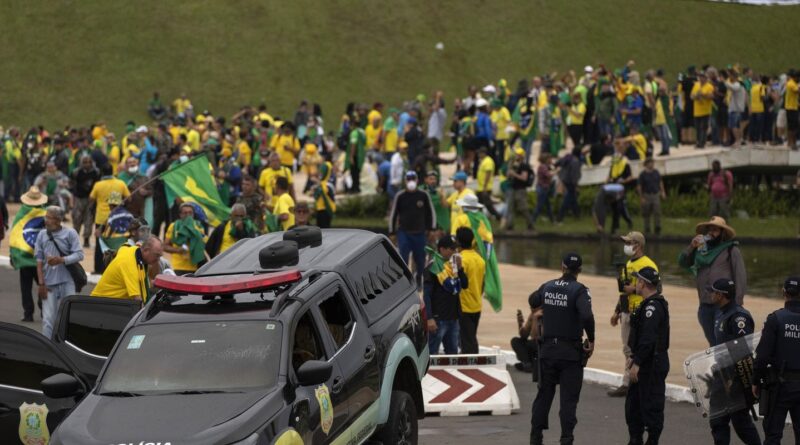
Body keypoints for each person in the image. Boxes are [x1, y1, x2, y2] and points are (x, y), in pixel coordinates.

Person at [529, 253, 595, 445]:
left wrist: (544, 310)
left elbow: (533, 299)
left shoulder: (547, 286)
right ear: (579, 270)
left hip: (548, 350)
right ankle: (566, 439)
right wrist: (591, 339)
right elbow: (586, 315)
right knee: (568, 401)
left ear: (562, 267)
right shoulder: (580, 290)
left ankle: (536, 438)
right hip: (570, 353)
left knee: (543, 396)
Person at [707, 278, 761, 445]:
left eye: (713, 292)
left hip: (735, 378)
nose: (710, 294)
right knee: (717, 420)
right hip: (721, 375)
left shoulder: (738, 317)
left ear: (721, 295)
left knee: (740, 422)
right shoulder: (720, 313)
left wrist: (734, 379)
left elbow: (742, 352)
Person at [678, 217, 747, 346]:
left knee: (725, 342)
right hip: (705, 305)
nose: (711, 233)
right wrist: (691, 246)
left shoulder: (731, 250)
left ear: (722, 233)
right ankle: (718, 359)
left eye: (715, 230)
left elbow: (740, 277)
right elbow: (683, 262)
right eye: (709, 229)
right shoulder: (701, 250)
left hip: (724, 306)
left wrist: (737, 304)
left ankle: (727, 360)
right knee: (713, 343)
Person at [608, 232, 659, 398]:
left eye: (629, 242)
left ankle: (635, 381)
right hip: (627, 311)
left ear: (638, 245)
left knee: (640, 347)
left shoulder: (648, 264)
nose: (627, 246)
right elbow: (624, 290)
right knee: (627, 348)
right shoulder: (628, 264)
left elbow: (657, 288)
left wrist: (635, 289)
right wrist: (617, 311)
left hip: (641, 311)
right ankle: (628, 381)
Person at [625, 267, 670, 445]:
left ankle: (652, 440)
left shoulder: (653, 307)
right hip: (644, 360)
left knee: (651, 407)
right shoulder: (647, 304)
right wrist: (633, 356)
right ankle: (635, 439)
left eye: (637, 280)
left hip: (651, 364)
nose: (635, 283)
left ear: (643, 283)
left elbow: (648, 339)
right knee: (633, 407)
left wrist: (637, 362)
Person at [752, 276, 800, 444]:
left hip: (780, 386)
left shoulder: (775, 319)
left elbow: (762, 356)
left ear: (783, 292)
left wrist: (755, 380)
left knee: (773, 435)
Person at [34, 206, 84, 339]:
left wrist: (61, 260)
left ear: (58, 220)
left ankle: (64, 346)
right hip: (48, 284)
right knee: (48, 320)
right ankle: (47, 347)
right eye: (46, 217)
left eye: (49, 217)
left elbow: (79, 255)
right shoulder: (42, 235)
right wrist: (41, 283)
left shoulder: (70, 233)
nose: (46, 220)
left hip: (68, 282)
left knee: (67, 317)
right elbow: (39, 261)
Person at [388, 171, 436, 288]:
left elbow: (431, 213)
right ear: (405, 181)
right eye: (408, 179)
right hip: (404, 233)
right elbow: (393, 214)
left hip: (420, 233)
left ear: (417, 180)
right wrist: (392, 232)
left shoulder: (423, 195)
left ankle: (419, 277)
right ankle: (405, 281)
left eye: (413, 179)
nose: (411, 182)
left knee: (420, 259)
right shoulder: (400, 196)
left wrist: (432, 229)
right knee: (402, 258)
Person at [424, 235, 467, 355]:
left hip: (453, 318)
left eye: (456, 249)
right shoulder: (433, 267)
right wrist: (429, 318)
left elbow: (465, 285)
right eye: (452, 249)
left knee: (452, 354)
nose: (455, 252)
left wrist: (460, 269)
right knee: (432, 354)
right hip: (438, 319)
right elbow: (427, 295)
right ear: (442, 249)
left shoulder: (453, 266)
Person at [10, 186, 48, 322]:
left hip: (25, 258)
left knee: (26, 287)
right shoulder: (45, 213)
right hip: (41, 259)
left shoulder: (21, 214)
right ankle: (44, 310)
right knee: (43, 284)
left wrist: (13, 255)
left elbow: (15, 236)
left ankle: (28, 313)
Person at [91, 236, 164, 302]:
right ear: (146, 250)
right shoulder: (130, 264)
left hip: (113, 303)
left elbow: (147, 281)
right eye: (157, 255)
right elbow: (137, 300)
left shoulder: (135, 252)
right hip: (100, 304)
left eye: (160, 256)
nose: (158, 260)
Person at [89, 164, 130, 274]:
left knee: (100, 244)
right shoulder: (121, 183)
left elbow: (91, 199)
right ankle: (114, 269)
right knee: (117, 243)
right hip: (119, 219)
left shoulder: (98, 184)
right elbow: (129, 197)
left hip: (101, 219)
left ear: (102, 173)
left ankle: (99, 269)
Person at [455, 227, 485, 355]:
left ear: (458, 242)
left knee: (467, 341)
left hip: (464, 305)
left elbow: (455, 283)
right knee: (471, 337)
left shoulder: (460, 260)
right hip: (477, 305)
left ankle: (471, 364)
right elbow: (482, 284)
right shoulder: (480, 260)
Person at [164, 203, 207, 275]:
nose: (188, 215)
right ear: (180, 215)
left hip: (195, 267)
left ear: (193, 214)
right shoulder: (174, 226)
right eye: (185, 213)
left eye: (190, 213)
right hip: (178, 266)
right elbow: (165, 246)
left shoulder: (198, 226)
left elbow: (203, 244)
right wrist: (178, 250)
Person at [70, 155, 100, 247]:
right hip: (79, 198)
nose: (87, 164)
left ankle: (86, 239)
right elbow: (72, 184)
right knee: (76, 219)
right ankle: (74, 240)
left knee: (89, 220)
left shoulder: (96, 172)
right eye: (85, 162)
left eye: (89, 162)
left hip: (91, 199)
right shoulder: (76, 172)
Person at [503, 147, 536, 231]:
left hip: (520, 189)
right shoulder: (514, 165)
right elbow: (508, 176)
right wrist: (509, 170)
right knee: (511, 207)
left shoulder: (524, 166)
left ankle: (530, 224)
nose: (516, 156)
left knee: (523, 208)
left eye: (518, 155)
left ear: (521, 156)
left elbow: (524, 178)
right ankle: (510, 225)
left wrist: (514, 174)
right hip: (513, 188)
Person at [511, 291, 542, 373]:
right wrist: (520, 323)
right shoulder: (533, 314)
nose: (532, 310)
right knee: (515, 341)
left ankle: (534, 365)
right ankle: (527, 364)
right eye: (531, 308)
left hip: (543, 346)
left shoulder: (546, 314)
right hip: (534, 346)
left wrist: (536, 319)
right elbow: (524, 335)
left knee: (533, 343)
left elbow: (536, 336)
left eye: (534, 308)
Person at [637, 158, 666, 235]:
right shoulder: (642, 174)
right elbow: (639, 186)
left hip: (655, 194)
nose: (652, 164)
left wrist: (663, 192)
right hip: (647, 195)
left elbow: (660, 182)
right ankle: (647, 229)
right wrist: (641, 197)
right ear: (646, 164)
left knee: (657, 212)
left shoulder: (656, 172)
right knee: (646, 213)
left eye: (652, 163)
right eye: (650, 163)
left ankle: (657, 228)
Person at [555, 147, 582, 223]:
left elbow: (557, 163)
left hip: (564, 178)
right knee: (568, 198)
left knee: (573, 198)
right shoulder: (575, 161)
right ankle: (560, 216)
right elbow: (574, 174)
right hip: (570, 181)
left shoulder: (568, 157)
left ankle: (577, 214)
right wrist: (576, 185)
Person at [476, 148, 501, 219]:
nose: (478, 155)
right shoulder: (483, 161)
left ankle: (498, 216)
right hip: (481, 187)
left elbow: (488, 174)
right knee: (479, 204)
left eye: (479, 153)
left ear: (483, 153)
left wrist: (485, 187)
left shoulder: (488, 161)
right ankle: (479, 218)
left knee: (488, 205)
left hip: (485, 188)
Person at [692, 71, 715, 148]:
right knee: (697, 128)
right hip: (697, 110)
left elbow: (711, 96)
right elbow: (691, 96)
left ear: (706, 78)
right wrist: (696, 96)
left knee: (703, 128)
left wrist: (703, 94)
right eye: (700, 77)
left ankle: (702, 143)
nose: (701, 78)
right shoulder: (696, 85)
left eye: (703, 77)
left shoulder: (709, 86)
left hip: (705, 111)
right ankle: (698, 142)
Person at [312, 161, 336, 228]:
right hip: (319, 209)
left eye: (322, 172)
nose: (320, 174)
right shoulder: (322, 183)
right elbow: (316, 196)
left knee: (325, 229)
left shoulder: (328, 184)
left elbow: (328, 194)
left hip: (326, 210)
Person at [532, 153, 554, 224]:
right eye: (550, 159)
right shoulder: (543, 167)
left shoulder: (546, 166)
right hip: (542, 188)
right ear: (546, 159)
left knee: (548, 206)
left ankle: (552, 220)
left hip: (545, 188)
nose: (551, 160)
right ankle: (532, 220)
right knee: (539, 205)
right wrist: (556, 171)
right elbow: (548, 175)